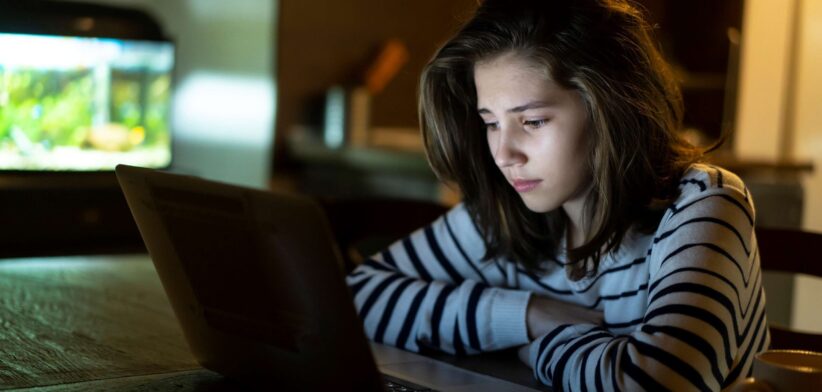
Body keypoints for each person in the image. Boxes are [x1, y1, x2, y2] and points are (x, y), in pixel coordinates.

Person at [345, 0, 769, 390]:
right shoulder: (503, 212)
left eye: (531, 121)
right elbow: (357, 298)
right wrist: (526, 314)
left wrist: (537, 345)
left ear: (609, 107)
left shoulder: (704, 203)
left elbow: (656, 383)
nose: (504, 154)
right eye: (491, 123)